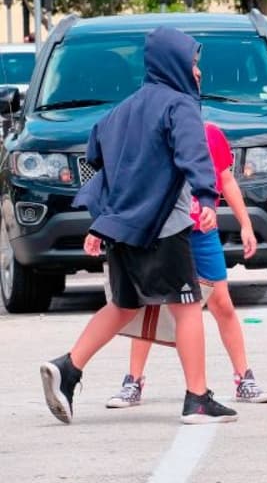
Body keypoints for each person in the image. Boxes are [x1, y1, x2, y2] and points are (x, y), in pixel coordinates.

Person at [39, 27, 237, 425]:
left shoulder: (122, 109)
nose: (197, 72)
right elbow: (193, 153)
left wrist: (104, 222)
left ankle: (68, 368)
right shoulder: (179, 105)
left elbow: (97, 152)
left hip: (123, 226)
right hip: (163, 227)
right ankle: (198, 398)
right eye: (193, 64)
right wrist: (204, 198)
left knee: (124, 304)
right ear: (174, 64)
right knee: (187, 307)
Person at [100, 121, 267, 409]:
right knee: (150, 305)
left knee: (222, 304)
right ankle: (133, 380)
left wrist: (245, 224)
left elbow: (226, 180)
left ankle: (244, 378)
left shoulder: (211, 134)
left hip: (202, 236)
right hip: (165, 234)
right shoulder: (154, 135)